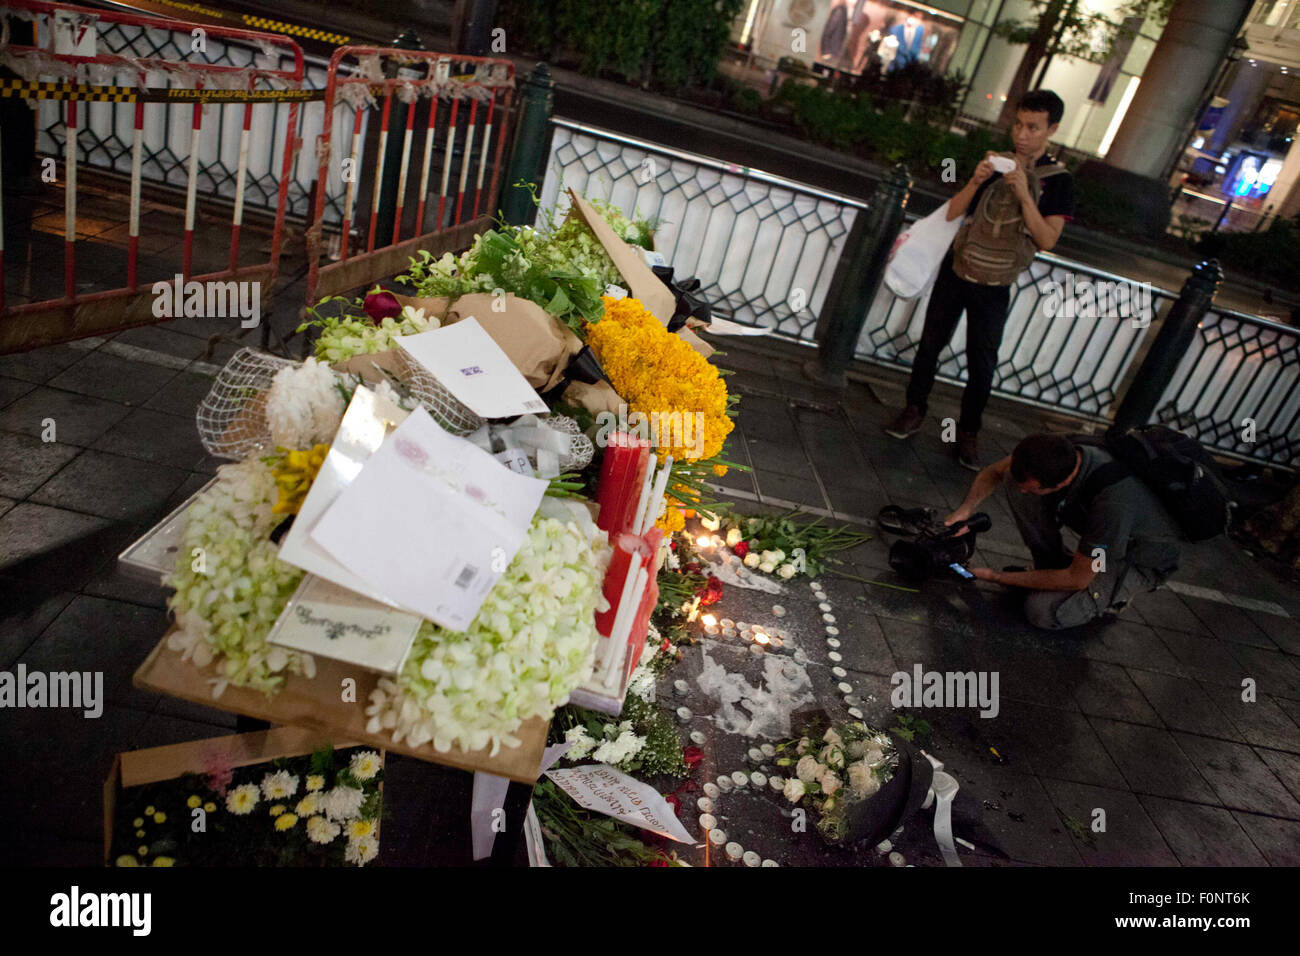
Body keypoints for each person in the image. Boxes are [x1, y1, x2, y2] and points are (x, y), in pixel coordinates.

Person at [885, 89, 1075, 470]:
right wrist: (974, 180)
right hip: (958, 270)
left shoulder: (1058, 181)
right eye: (1018, 124)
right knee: (930, 345)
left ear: (1052, 129)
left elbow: (1048, 239)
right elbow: (954, 212)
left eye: (1033, 127)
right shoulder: (996, 163)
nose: (1022, 134)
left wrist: (1024, 195)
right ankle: (914, 409)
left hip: (995, 284)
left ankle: (968, 433)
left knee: (982, 363)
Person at [944, 432, 1181, 630]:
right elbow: (993, 472)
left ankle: (1111, 595)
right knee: (1014, 481)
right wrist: (963, 511)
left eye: (1033, 489)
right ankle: (1051, 565)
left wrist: (996, 577)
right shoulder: (1056, 451)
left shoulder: (1113, 506)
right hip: (1105, 531)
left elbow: (1077, 579)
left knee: (1042, 611)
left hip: (1134, 558)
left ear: (1059, 484)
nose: (1024, 493)